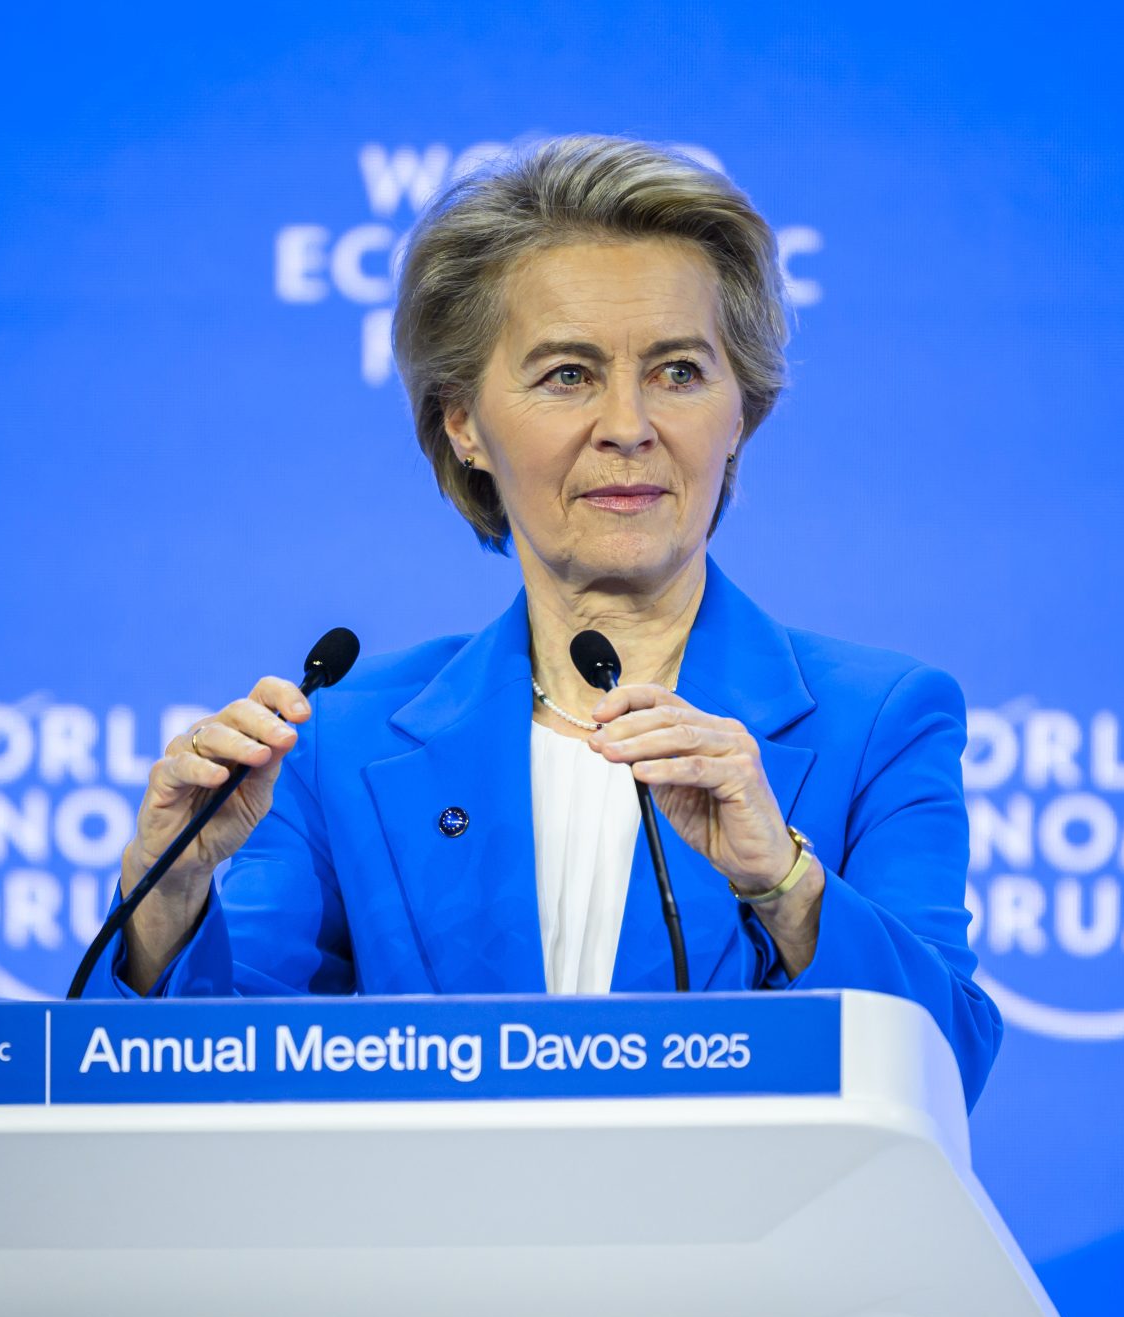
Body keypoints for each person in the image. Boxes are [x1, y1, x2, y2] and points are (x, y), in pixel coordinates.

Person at [109, 136, 1002, 1104]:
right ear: (462, 422)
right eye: (569, 374)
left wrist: (786, 887)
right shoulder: (340, 744)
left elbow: (943, 1065)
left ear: (740, 410)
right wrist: (166, 902)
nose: (628, 426)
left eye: (678, 372)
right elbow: (215, 1088)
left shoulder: (878, 721)